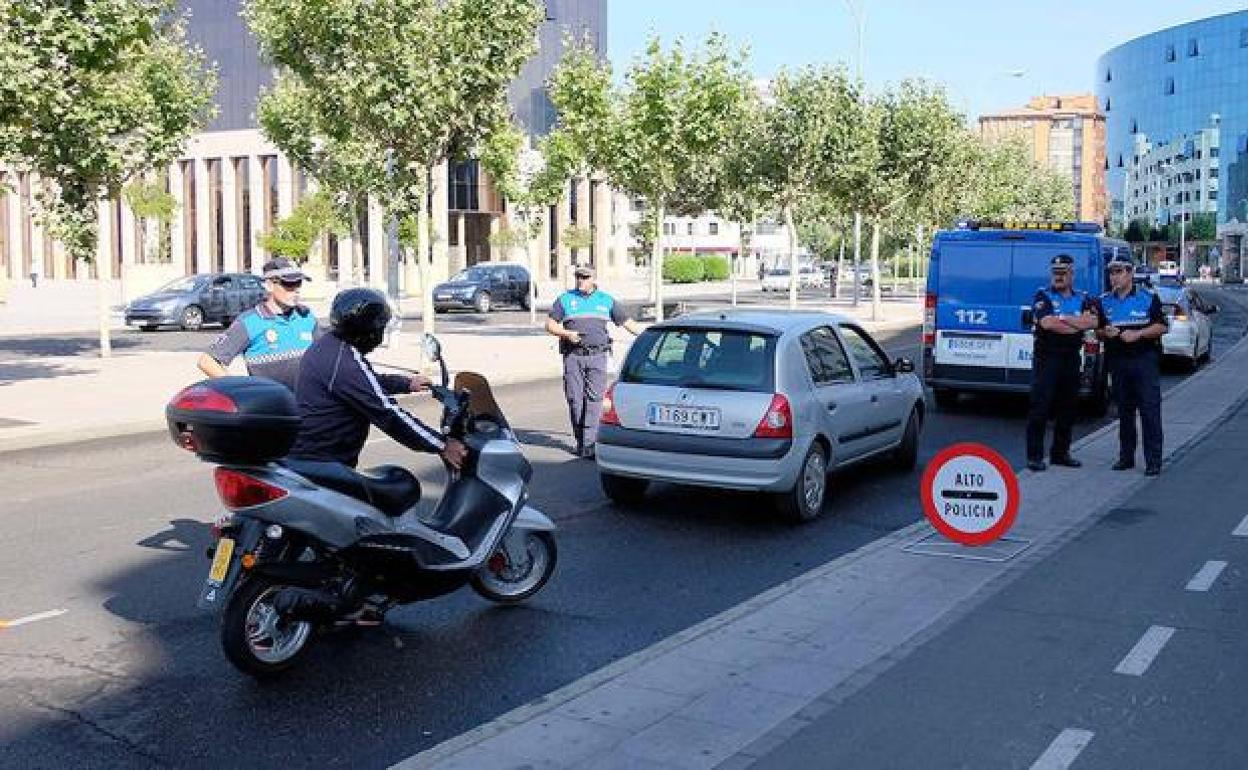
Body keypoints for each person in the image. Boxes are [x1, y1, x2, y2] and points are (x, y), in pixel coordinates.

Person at [287, 287, 466, 470]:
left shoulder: (329, 346)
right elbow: (387, 412)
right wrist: (442, 445)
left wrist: (407, 383)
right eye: (380, 327)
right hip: (323, 465)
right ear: (368, 330)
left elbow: (366, 382)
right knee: (402, 485)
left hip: (311, 458)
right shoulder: (344, 362)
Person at [545, 266, 643, 458]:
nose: (580, 280)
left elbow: (628, 323)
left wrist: (650, 336)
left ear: (593, 278)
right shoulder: (565, 299)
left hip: (598, 356)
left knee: (594, 401)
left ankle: (589, 444)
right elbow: (550, 324)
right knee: (575, 400)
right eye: (578, 276)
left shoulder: (606, 300)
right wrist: (566, 334)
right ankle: (581, 439)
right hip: (573, 356)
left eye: (585, 277)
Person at [197, 257, 319, 391]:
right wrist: (240, 391)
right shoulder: (250, 322)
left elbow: (325, 355)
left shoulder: (306, 316)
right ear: (269, 285)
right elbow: (207, 362)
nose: (296, 290)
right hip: (273, 402)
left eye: (298, 283)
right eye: (289, 284)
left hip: (309, 401)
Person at [1025, 254, 1099, 472]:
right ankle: (1035, 456)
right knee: (1040, 406)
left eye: (1063, 273)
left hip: (1071, 357)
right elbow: (1048, 324)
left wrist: (1063, 319)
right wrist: (1075, 324)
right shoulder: (1043, 295)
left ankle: (1060, 453)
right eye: (1055, 273)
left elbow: (1093, 322)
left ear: (1071, 274)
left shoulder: (1083, 298)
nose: (1058, 277)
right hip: (1047, 357)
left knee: (1068, 406)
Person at [1097, 255, 1169, 476]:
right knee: (1124, 412)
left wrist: (1139, 334)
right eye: (1111, 273)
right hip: (1118, 362)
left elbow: (1162, 326)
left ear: (1130, 274)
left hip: (1143, 360)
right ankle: (1126, 457)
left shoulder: (1147, 298)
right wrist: (1104, 332)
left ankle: (1153, 461)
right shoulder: (1104, 301)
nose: (1114, 277)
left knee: (1149, 410)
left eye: (1119, 272)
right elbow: (1098, 331)